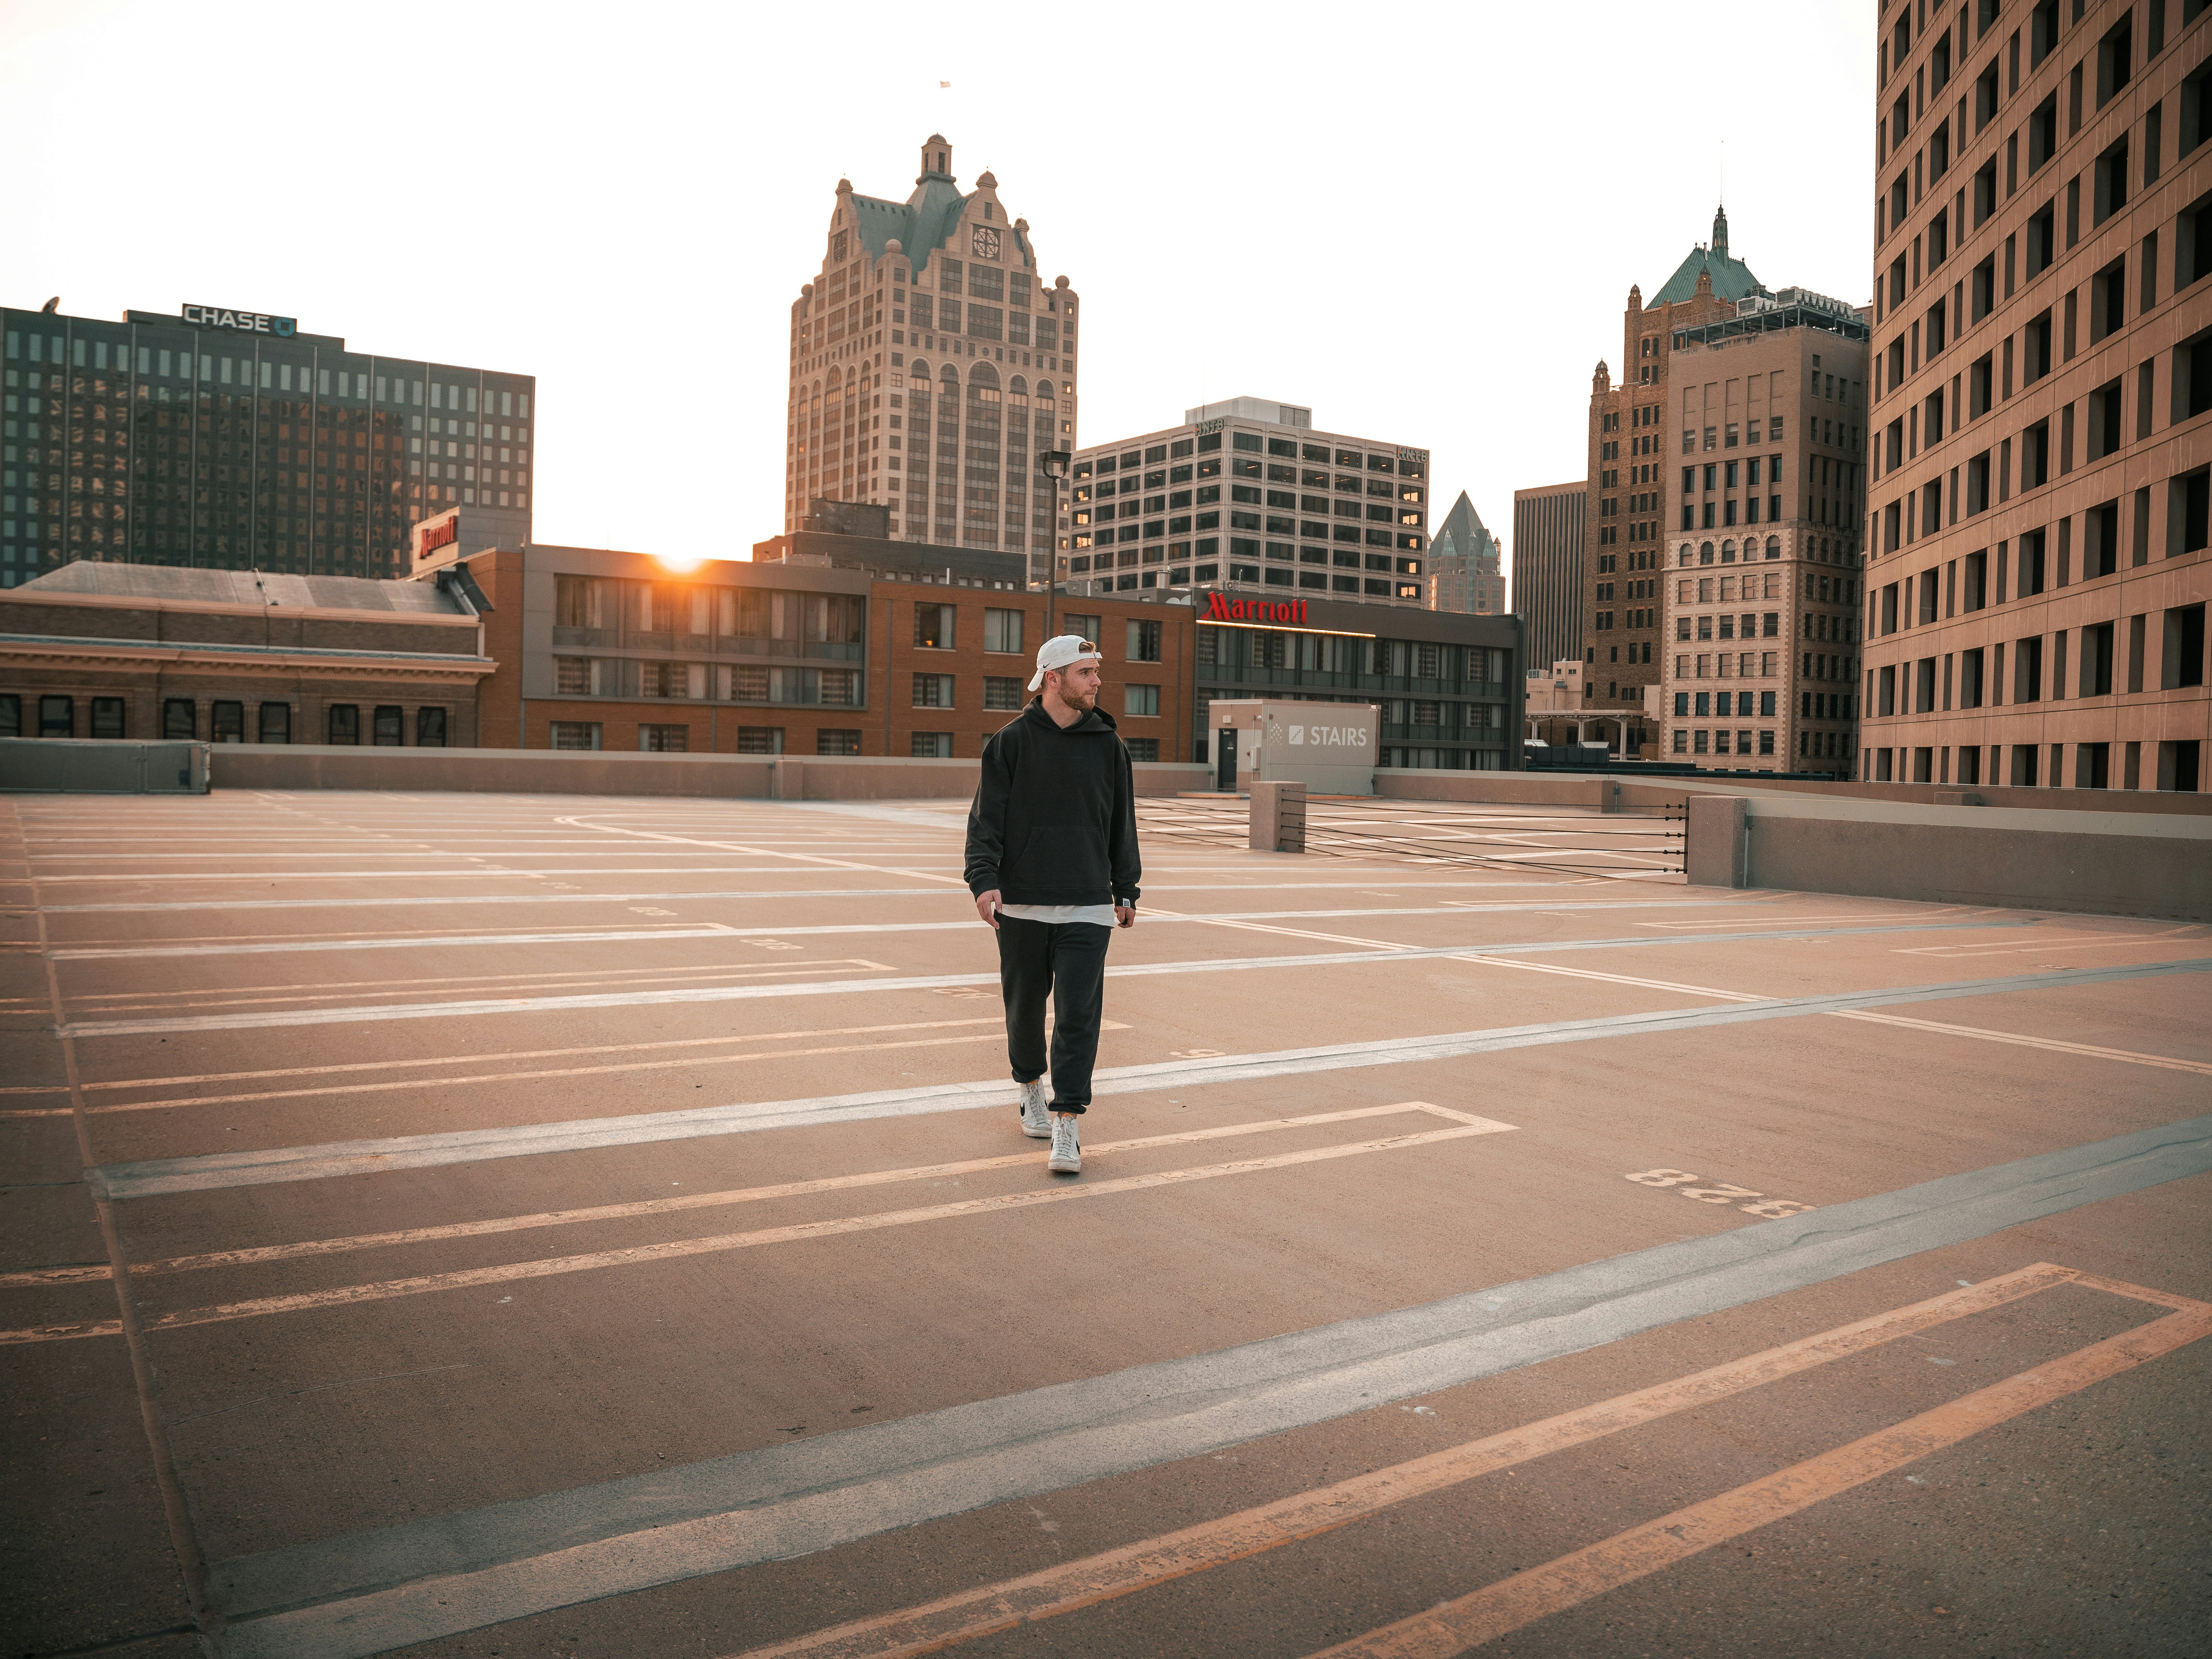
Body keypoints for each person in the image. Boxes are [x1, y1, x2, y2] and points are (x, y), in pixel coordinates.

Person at [964, 632, 1140, 1175]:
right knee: (1024, 1011)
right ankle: (1029, 1088)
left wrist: (1126, 887)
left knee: (1078, 1016)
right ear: (1053, 678)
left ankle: (1067, 1122)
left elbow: (1122, 822)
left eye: (1096, 671)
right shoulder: (1010, 743)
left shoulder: (1108, 745)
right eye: (1086, 672)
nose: (1097, 681)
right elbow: (986, 820)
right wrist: (983, 881)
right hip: (1022, 905)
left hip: (1087, 904)